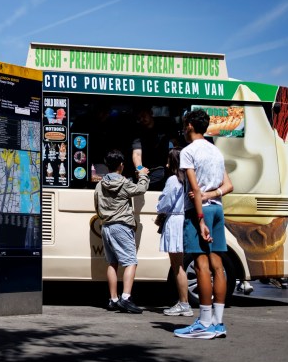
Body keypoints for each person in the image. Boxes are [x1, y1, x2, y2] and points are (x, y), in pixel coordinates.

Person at [174, 108, 232, 339]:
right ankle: (218, 323)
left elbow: (195, 189)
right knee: (218, 265)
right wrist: (212, 194)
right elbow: (228, 185)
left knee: (201, 266)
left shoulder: (188, 152)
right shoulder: (215, 151)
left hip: (200, 212)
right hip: (217, 208)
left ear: (189, 125)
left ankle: (204, 323)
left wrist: (199, 219)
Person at [94, 149, 150, 314]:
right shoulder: (124, 183)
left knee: (112, 263)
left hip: (106, 226)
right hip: (122, 225)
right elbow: (141, 189)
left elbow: (96, 205)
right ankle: (126, 298)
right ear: (121, 165)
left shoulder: (99, 183)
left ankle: (113, 299)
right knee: (131, 261)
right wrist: (143, 174)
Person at [157, 147, 192, 317]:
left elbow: (165, 202)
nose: (166, 163)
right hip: (184, 219)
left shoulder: (173, 180)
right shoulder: (188, 179)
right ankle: (183, 302)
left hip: (174, 220)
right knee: (180, 265)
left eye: (169, 160)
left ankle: (184, 303)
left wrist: (159, 209)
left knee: (177, 265)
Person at [131, 106, 177, 190]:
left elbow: (173, 144)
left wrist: (171, 161)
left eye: (143, 115)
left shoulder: (164, 125)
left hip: (165, 168)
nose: (141, 119)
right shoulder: (138, 131)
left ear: (151, 113)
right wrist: (140, 169)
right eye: (139, 118)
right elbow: (137, 154)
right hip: (148, 171)